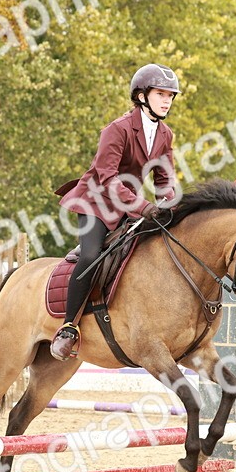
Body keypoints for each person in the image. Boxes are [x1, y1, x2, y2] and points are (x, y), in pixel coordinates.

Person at [50, 63, 181, 360]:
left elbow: (164, 180)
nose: (167, 100)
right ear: (141, 95)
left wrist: (170, 206)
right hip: (95, 201)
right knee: (91, 255)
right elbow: (107, 178)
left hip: (129, 205)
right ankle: (68, 328)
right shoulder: (117, 129)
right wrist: (142, 206)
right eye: (161, 94)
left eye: (170, 96)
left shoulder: (165, 135)